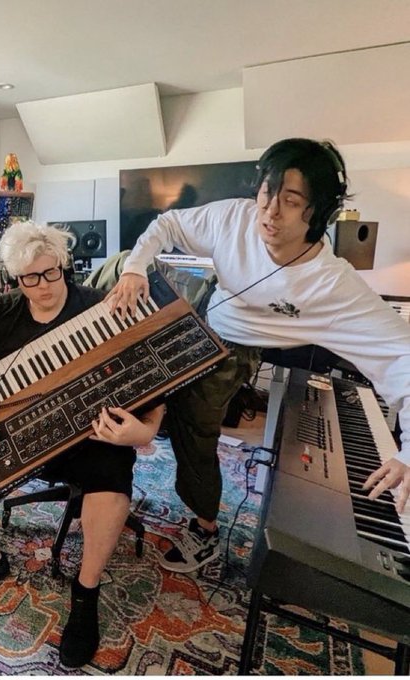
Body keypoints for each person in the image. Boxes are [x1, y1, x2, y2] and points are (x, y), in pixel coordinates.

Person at [109, 137, 410, 574]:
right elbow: (167, 224)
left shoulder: (332, 284)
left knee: (193, 424)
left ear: (319, 211)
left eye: (291, 201)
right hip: (205, 308)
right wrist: (135, 268)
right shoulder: (233, 216)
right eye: (267, 194)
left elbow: (402, 355)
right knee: (118, 267)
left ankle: (205, 529)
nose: (270, 212)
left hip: (237, 345)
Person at [0, 221, 164, 668]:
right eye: (30, 278)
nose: (44, 286)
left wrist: (144, 432)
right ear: (15, 279)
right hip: (18, 436)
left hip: (89, 438)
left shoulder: (101, 306)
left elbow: (151, 376)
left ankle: (86, 591)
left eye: (52, 273)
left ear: (63, 266)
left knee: (111, 478)